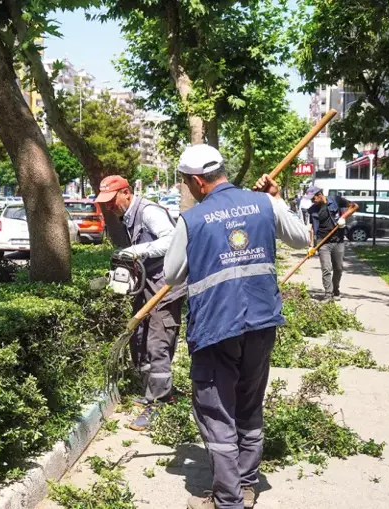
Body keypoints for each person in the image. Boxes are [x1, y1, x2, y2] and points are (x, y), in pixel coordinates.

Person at [163, 145, 309, 509]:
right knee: (248, 404)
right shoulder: (264, 203)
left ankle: (228, 501)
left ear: (198, 181)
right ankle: (246, 483)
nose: (188, 188)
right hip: (261, 322)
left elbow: (170, 274)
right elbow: (303, 239)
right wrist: (277, 199)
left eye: (185, 182)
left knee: (216, 412)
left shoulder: (192, 220)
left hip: (216, 328)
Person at [94, 175, 186, 431]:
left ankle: (159, 402)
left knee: (158, 342)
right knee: (140, 337)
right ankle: (151, 391)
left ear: (126, 192)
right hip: (148, 284)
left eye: (113, 201)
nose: (110, 207)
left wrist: (138, 251)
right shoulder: (127, 215)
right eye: (106, 203)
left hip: (165, 286)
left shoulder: (148, 212)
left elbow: (172, 241)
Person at [307, 187, 355, 302]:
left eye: (313, 198)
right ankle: (328, 294)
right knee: (326, 269)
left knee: (338, 268)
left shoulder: (336, 200)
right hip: (322, 242)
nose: (312, 201)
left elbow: (354, 206)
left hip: (338, 240)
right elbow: (313, 228)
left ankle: (335, 290)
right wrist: (311, 245)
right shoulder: (313, 210)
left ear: (319, 194)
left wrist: (343, 217)